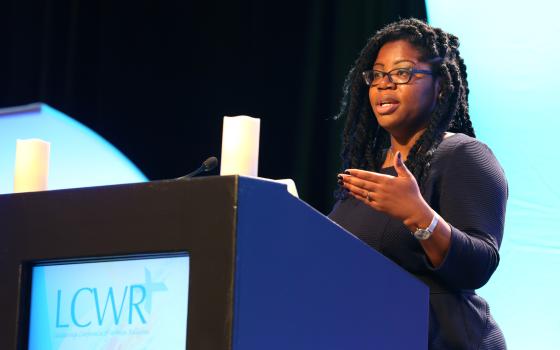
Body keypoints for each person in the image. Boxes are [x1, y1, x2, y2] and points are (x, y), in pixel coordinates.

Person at [329, 18, 508, 349]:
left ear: (440, 85)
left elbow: (479, 265)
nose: (385, 84)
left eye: (401, 73)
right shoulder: (368, 172)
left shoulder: (461, 154)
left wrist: (418, 215)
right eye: (378, 74)